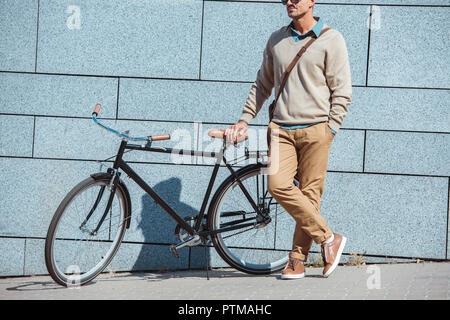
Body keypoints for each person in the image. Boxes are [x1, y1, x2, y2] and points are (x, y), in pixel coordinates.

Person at [225, 0, 352, 279]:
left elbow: (341, 90)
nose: (289, 1)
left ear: (312, 1)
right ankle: (329, 239)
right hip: (281, 129)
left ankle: (297, 260)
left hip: (318, 129)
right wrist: (245, 118)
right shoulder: (277, 39)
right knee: (277, 185)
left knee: (309, 195)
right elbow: (262, 83)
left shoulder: (331, 39)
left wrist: (331, 127)